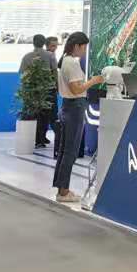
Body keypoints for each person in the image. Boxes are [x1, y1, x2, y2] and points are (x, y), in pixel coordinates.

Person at [53, 32, 104, 203]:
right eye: (84, 47)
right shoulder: (72, 63)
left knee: (64, 150)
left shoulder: (64, 60)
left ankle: (62, 189)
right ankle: (64, 192)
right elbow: (76, 89)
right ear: (77, 46)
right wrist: (94, 81)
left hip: (68, 106)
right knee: (70, 151)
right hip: (75, 107)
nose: (84, 51)